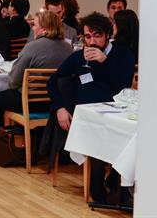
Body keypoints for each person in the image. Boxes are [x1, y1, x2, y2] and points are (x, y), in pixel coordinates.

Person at [47, 12, 135, 203]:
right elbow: (53, 81)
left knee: (127, 132)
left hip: (116, 110)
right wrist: (60, 107)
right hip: (86, 114)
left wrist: (105, 62)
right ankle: (98, 185)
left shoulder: (123, 55)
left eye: (97, 35)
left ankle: (117, 179)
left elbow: (123, 86)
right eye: (87, 36)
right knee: (97, 131)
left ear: (107, 35)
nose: (92, 41)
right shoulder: (79, 57)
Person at [0, 11, 72, 154]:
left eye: (34, 25)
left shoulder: (33, 47)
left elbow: (13, 81)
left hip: (30, 101)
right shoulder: (68, 48)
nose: (32, 28)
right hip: (56, 102)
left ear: (44, 29)